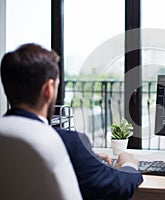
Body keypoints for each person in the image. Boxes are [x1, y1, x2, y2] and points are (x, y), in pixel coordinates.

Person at [0, 43, 143, 200]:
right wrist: (129, 165)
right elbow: (115, 188)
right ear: (48, 89)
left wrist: (85, 159)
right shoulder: (67, 142)